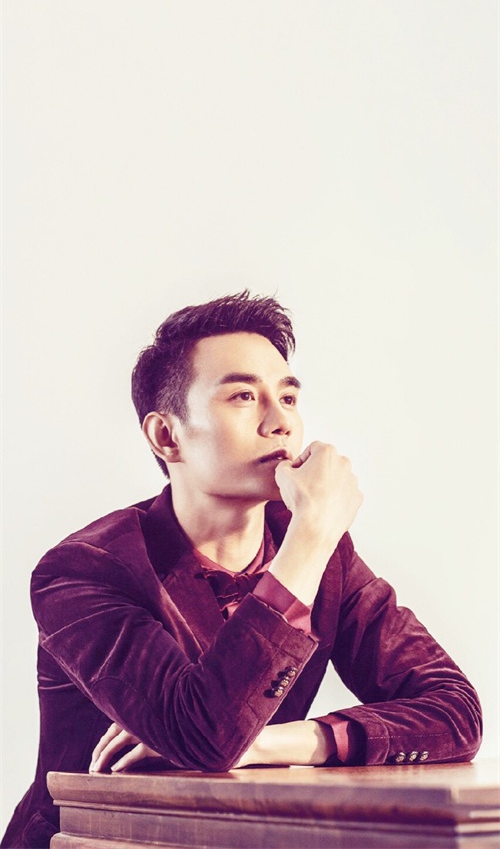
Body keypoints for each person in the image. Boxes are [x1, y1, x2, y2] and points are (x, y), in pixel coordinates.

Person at [2, 291, 482, 848]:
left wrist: (271, 743)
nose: (281, 423)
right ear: (167, 436)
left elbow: (455, 711)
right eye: (243, 396)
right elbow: (204, 733)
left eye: (289, 397)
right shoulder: (83, 570)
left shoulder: (320, 553)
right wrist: (311, 536)